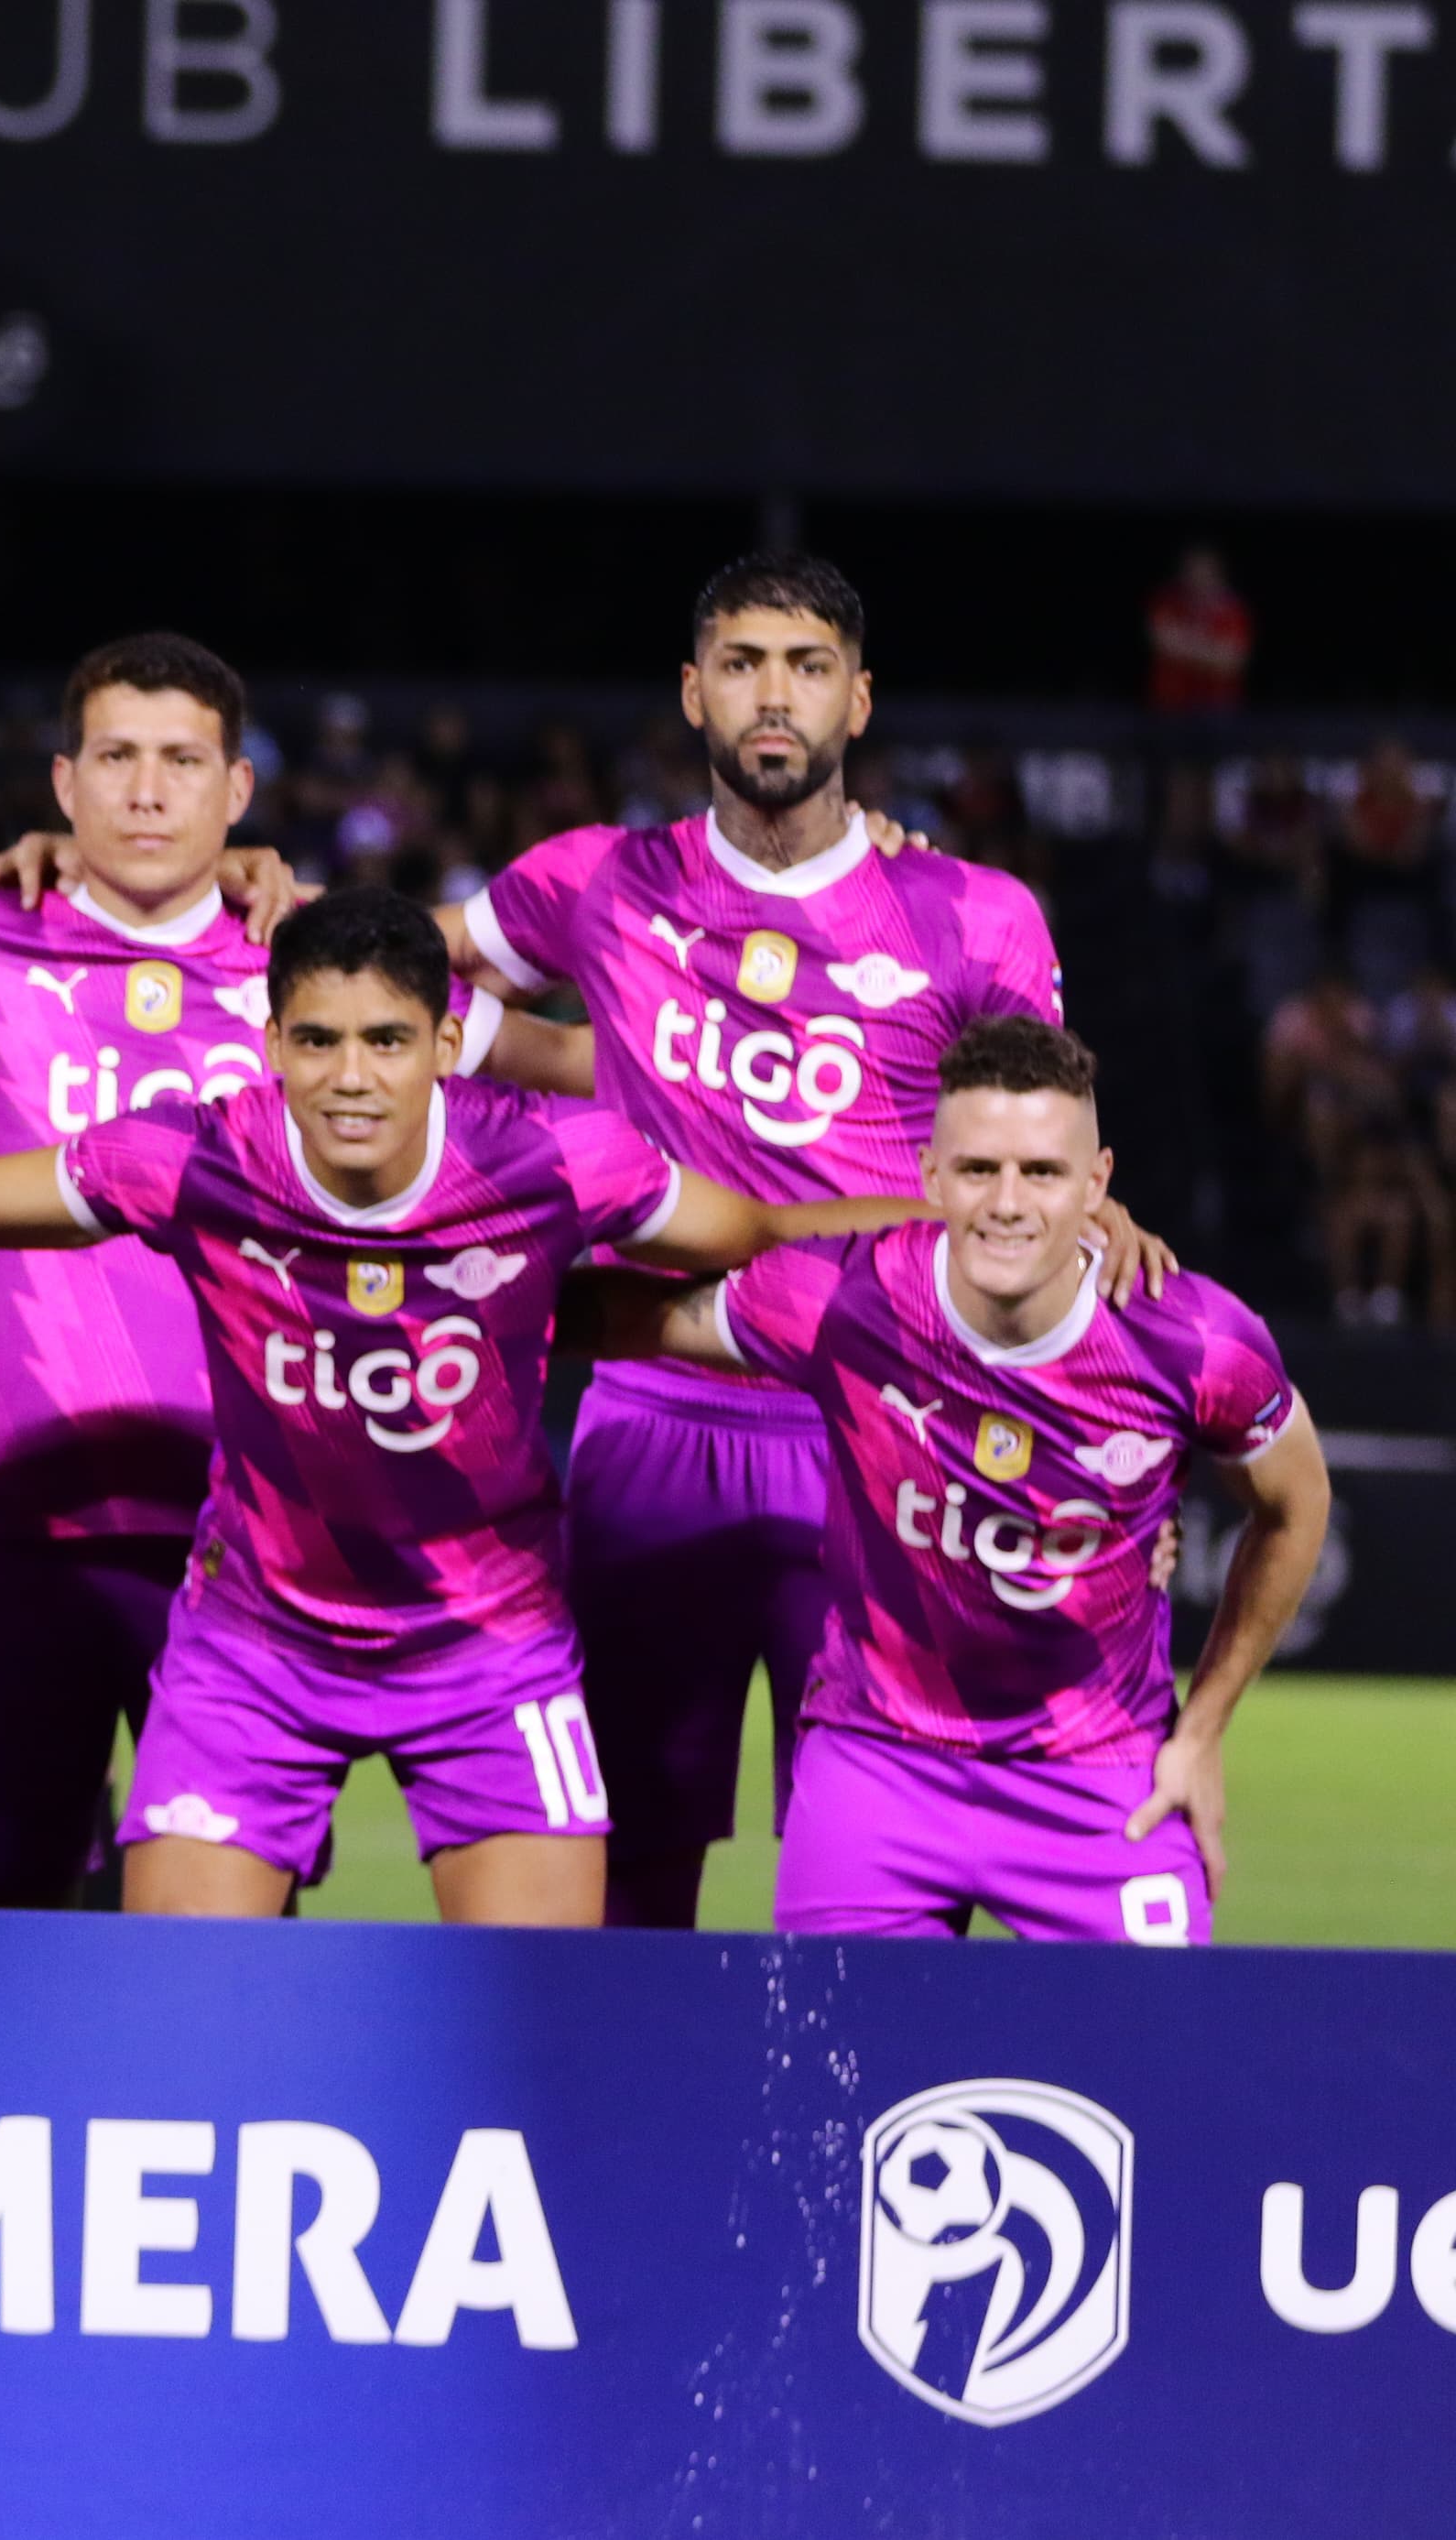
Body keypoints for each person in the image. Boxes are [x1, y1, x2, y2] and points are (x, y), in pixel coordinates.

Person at [0, 889, 916, 1925]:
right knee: (187, 2025)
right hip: (252, 1648)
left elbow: (758, 1234)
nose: (349, 1076)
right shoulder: (199, 1159)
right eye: (314, 1040)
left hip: (488, 1648)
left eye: (384, 1041)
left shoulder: (558, 1160)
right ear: (268, 1045)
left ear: (446, 1044)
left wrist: (980, 1240)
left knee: (538, 2023)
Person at [0, 639, 582, 1909]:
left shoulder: (316, 967)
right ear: (64, 786)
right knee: (7, 1904)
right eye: (118, 760)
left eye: (181, 762)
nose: (147, 793)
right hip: (31, 1517)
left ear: (237, 792)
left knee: (228, 1941)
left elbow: (568, 1064)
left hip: (260, 1549)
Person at [435, 552, 1119, 1931]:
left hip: (876, 1437)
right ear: (694, 693)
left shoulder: (976, 915)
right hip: (646, 1411)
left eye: (807, 667)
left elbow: (1044, 1167)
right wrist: (250, 894)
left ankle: (855, 2146)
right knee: (634, 1862)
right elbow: (391, 974)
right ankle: (626, 2140)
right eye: (742, 663)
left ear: (858, 702)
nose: (774, 694)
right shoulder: (597, 883)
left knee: (876, 1864)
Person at [585, 1018, 1329, 1943]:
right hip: (877, 1764)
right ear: (930, 1176)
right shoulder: (842, 1300)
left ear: (1095, 1185)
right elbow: (635, 1321)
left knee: (1146, 2077)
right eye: (978, 1170)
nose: (1007, 1203)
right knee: (839, 2086)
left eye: (1041, 1173)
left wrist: (1203, 1728)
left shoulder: (1190, 1342)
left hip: (1099, 1781)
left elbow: (1296, 1504)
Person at [1146, 543, 1252, 721]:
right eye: (1193, 569)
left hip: (1217, 706)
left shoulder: (1231, 609)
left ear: (1217, 573)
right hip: (1170, 704)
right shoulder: (1168, 602)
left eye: (1204, 570)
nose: (1198, 576)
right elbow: (1163, 645)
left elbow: (1231, 663)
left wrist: (1184, 645)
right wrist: (1211, 650)